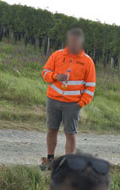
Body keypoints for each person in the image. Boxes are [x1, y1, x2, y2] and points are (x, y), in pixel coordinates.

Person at [40, 28, 97, 170]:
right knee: (51, 129)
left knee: (70, 134)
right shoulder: (57, 55)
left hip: (72, 104)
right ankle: (50, 159)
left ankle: (67, 164)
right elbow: (45, 72)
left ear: (81, 43)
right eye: (71, 41)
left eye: (76, 42)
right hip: (53, 100)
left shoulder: (87, 61)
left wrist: (80, 103)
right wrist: (55, 76)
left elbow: (90, 87)